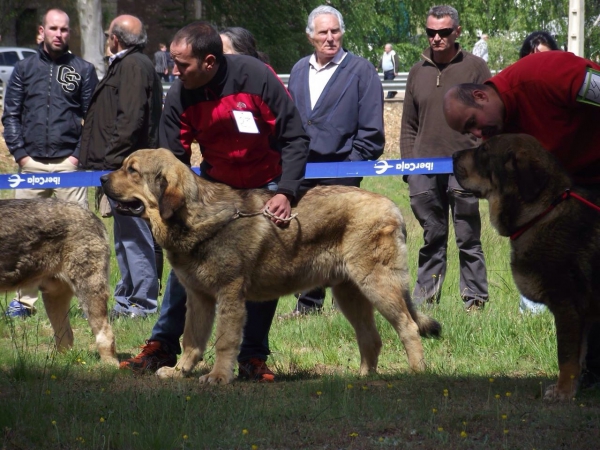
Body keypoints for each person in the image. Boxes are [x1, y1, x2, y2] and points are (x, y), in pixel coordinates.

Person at [119, 22, 309, 382]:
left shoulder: (257, 77)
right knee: (185, 264)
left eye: (182, 65)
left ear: (209, 61)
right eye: (173, 63)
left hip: (264, 184)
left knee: (260, 268)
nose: (174, 71)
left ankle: (252, 358)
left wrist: (285, 191)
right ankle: (162, 346)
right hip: (214, 187)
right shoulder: (180, 93)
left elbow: (295, 135)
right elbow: (170, 158)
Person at [443, 50, 600, 390]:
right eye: (469, 134)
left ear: (482, 96)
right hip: (579, 188)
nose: (477, 135)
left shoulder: (545, 74)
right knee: (583, 287)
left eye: (472, 122)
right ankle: (587, 375)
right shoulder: (501, 133)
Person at [287, 4, 385, 315]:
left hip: (343, 169)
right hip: (303, 169)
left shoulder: (362, 70)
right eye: (323, 32)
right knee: (304, 236)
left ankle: (351, 306)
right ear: (310, 37)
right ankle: (308, 305)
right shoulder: (300, 70)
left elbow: (372, 131)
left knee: (343, 240)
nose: (330, 38)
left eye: (335, 31)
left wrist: (351, 165)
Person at [1, 9, 98, 318]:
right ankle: (24, 303)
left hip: (69, 166)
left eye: (64, 29)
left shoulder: (83, 70)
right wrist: (21, 155)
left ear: (70, 33)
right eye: (53, 28)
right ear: (41, 31)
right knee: (24, 237)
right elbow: (11, 115)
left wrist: (76, 157)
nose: (59, 34)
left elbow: (92, 120)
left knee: (77, 236)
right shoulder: (23, 69)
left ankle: (84, 300)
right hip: (31, 166)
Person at [400, 5, 490, 311]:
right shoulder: (416, 71)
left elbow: (489, 119)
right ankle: (425, 301)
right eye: (430, 32)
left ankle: (475, 300)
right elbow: (408, 126)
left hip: (465, 167)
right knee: (432, 236)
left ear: (457, 32)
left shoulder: (476, 68)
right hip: (423, 169)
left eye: (444, 32)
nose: (436, 38)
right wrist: (409, 170)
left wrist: (482, 162)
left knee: (468, 237)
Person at [78, 15, 163, 319]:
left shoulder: (132, 67)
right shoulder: (127, 64)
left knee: (136, 236)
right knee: (125, 237)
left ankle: (142, 302)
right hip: (123, 170)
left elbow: (130, 120)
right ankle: (126, 300)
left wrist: (113, 163)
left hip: (129, 172)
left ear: (114, 38)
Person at [516, 30, 559, 314]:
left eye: (543, 58)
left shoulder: (572, 86)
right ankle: (532, 311)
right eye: (531, 60)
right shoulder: (514, 96)